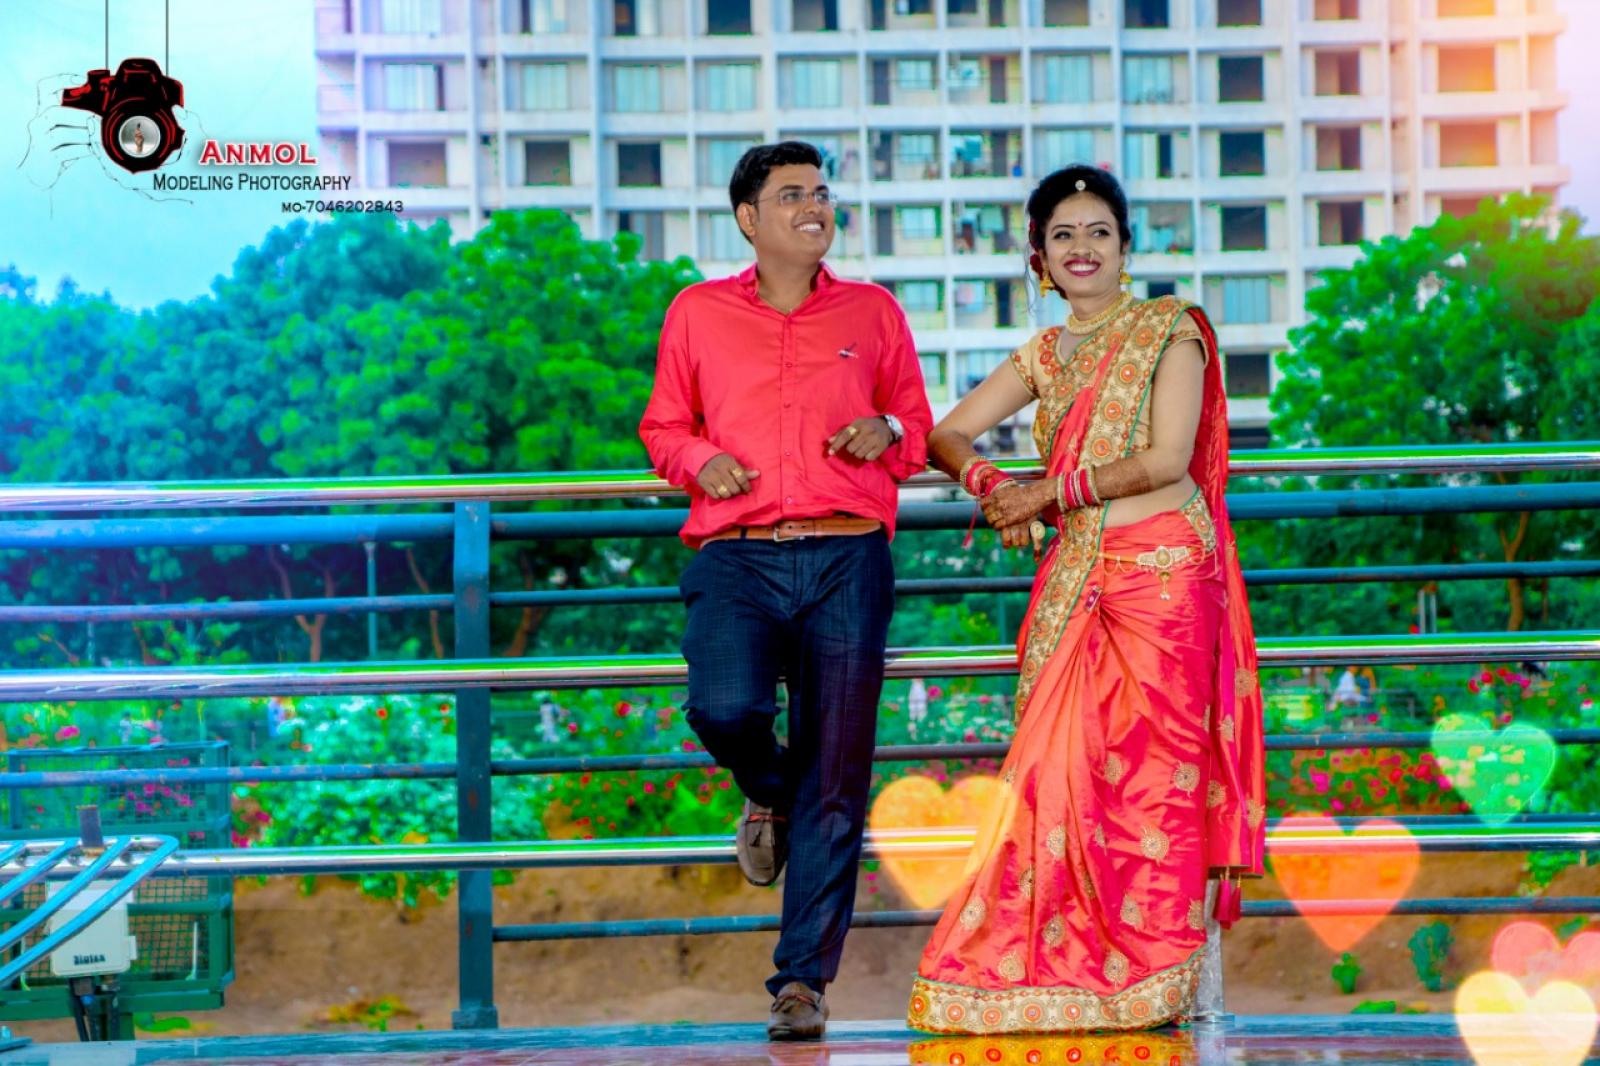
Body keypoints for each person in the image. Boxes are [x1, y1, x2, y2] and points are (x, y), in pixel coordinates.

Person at [905, 165, 1266, 1034]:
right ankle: (1053, 972)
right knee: (1055, 779)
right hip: (1078, 581)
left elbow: (1167, 459)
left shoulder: (1169, 330)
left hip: (1165, 581)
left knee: (1155, 783)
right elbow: (944, 435)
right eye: (1062, 235)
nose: (1082, 248)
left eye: (1098, 231)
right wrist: (995, 485)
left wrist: (1045, 493)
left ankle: (1156, 971)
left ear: (1125, 246)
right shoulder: (1043, 354)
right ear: (1039, 256)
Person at [639, 141, 933, 1041]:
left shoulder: (873, 312)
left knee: (838, 773)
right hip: (738, 555)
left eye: (822, 192)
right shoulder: (696, 312)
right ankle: (768, 790)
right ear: (748, 218)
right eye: (792, 194)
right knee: (723, 708)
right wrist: (700, 458)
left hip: (849, 556)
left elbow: (916, 426)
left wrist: (885, 430)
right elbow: (661, 427)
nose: (815, 206)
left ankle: (801, 982)